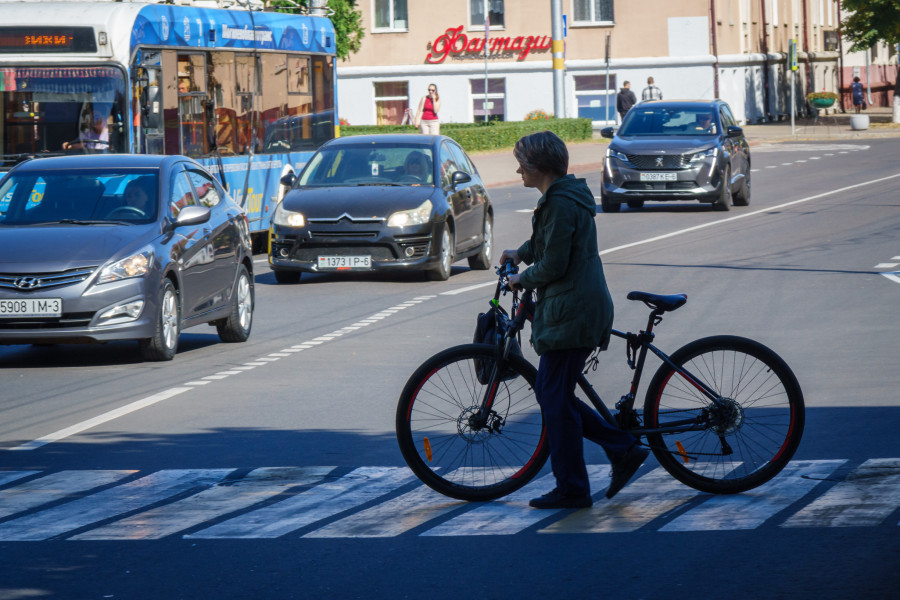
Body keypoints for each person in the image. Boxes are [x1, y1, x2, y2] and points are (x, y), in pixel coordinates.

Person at [499, 131, 649, 509]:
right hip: (573, 306)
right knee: (556, 395)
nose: (518, 170)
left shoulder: (561, 203)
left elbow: (554, 263)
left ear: (538, 168)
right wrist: (519, 252)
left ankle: (575, 487)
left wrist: (522, 277)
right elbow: (547, 244)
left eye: (522, 164)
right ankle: (619, 449)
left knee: (553, 397)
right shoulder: (560, 198)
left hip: (574, 311)